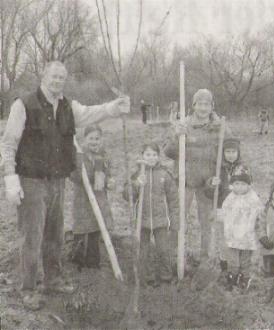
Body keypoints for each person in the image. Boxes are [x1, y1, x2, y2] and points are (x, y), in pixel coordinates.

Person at [0, 61, 130, 310]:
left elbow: (92, 113)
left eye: (62, 78)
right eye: (54, 77)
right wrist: (10, 177)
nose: (58, 81)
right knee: (32, 236)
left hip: (57, 180)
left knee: (54, 233)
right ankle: (28, 289)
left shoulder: (68, 107)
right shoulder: (24, 104)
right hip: (31, 180)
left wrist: (114, 108)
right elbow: (8, 143)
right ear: (44, 77)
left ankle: (53, 279)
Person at [164, 88, 227, 262]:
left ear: (212, 106)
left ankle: (206, 257)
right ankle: (172, 255)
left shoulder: (219, 126)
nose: (203, 108)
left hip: (208, 184)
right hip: (184, 181)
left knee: (206, 222)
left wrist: (222, 176)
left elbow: (230, 151)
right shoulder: (183, 125)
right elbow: (168, 152)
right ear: (193, 105)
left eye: (207, 104)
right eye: (200, 104)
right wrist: (177, 136)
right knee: (177, 219)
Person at [123, 143, 179, 287]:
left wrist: (174, 220)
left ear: (158, 156)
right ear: (142, 156)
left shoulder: (164, 174)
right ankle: (147, 278)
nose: (151, 157)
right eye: (148, 154)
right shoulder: (137, 174)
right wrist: (136, 184)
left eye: (154, 154)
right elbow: (127, 195)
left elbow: (173, 199)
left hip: (161, 220)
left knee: (163, 249)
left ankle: (166, 277)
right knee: (143, 250)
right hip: (142, 220)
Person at [69, 124, 113, 270]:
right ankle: (77, 262)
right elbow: (73, 175)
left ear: (101, 139)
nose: (94, 141)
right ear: (85, 139)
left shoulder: (104, 155)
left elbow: (108, 174)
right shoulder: (79, 155)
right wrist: (83, 175)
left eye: (97, 138)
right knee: (81, 229)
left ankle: (93, 263)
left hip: (99, 196)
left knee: (96, 227)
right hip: (82, 197)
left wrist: (107, 180)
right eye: (91, 138)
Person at [204, 138, 247, 280]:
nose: (230, 154)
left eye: (233, 151)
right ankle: (224, 267)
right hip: (221, 209)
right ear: (223, 153)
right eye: (227, 152)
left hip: (238, 210)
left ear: (238, 153)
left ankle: (237, 268)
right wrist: (212, 184)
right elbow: (208, 193)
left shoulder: (243, 169)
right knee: (223, 240)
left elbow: (249, 189)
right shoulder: (217, 169)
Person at [218, 165, 263, 292]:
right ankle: (232, 277)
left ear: (249, 185)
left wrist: (257, 227)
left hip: (247, 236)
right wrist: (219, 217)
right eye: (236, 184)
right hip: (232, 235)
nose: (239, 187)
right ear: (232, 185)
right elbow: (224, 211)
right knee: (233, 260)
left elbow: (259, 215)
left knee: (245, 261)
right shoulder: (230, 198)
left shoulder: (253, 199)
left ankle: (244, 278)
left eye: (243, 184)